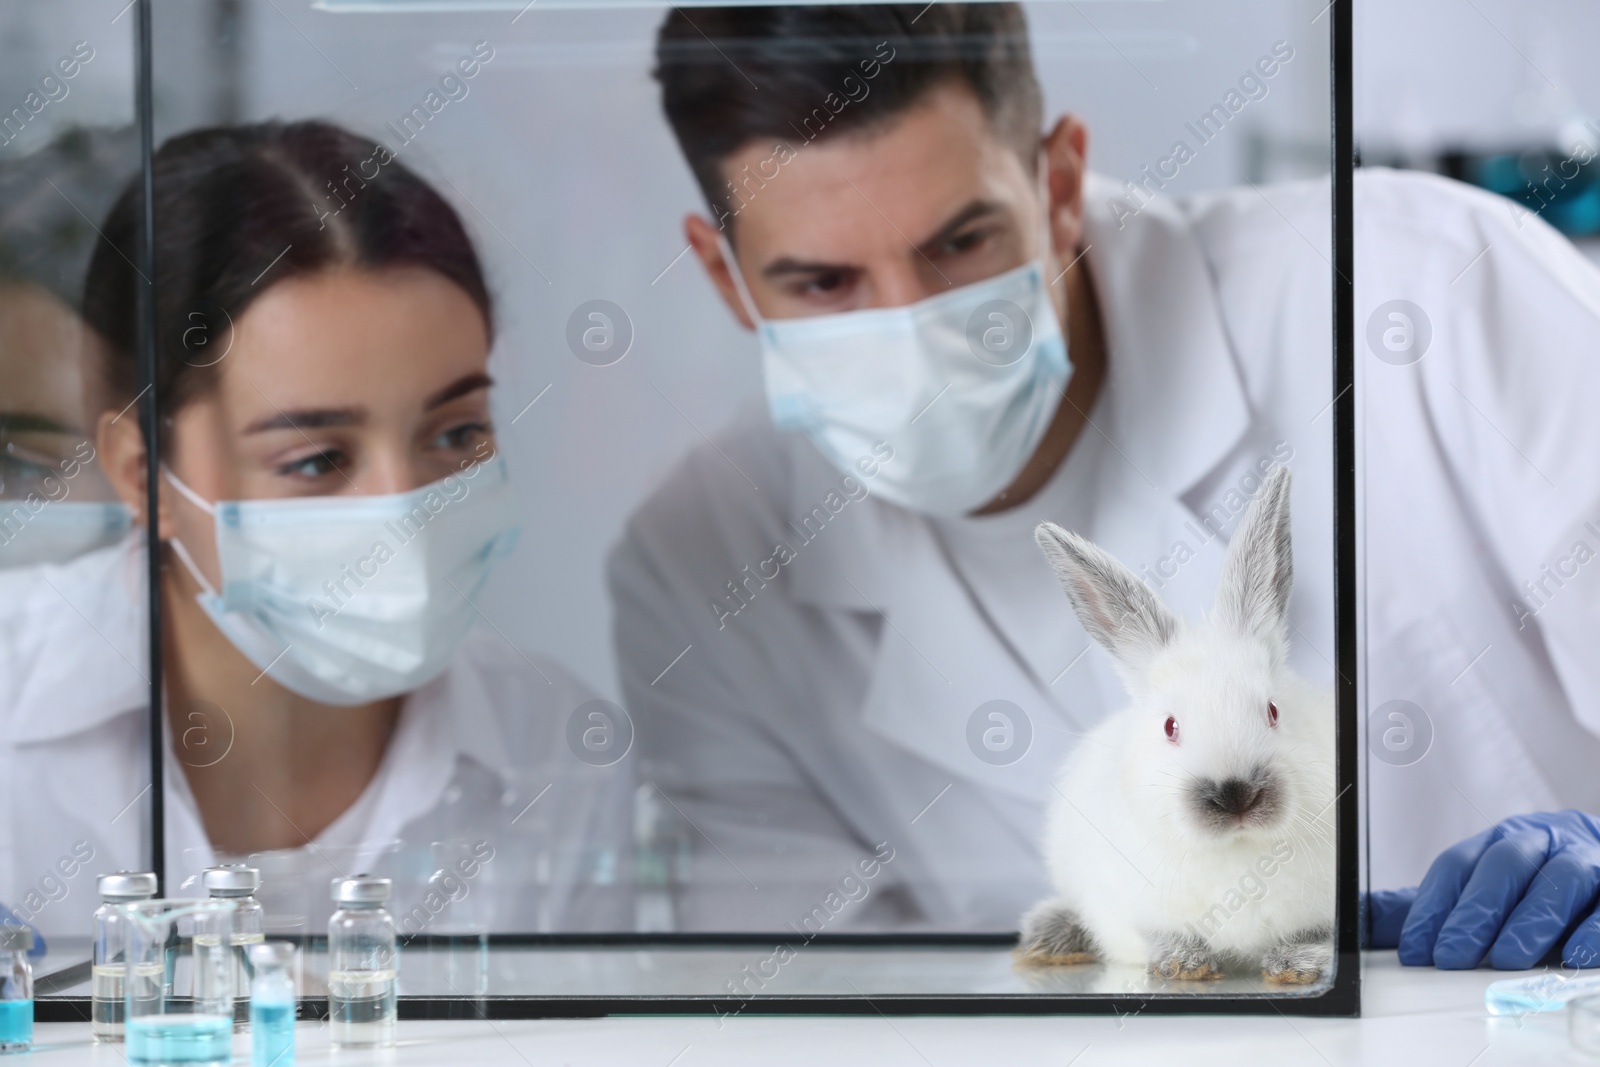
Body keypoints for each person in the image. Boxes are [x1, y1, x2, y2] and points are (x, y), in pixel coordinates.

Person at [609, 3, 1600, 970]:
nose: (911, 328)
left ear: (1060, 182)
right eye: (825, 282)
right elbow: (820, 1006)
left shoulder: (1421, 289)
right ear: (723, 273)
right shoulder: (704, 568)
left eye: (961, 243)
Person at [0, 120, 631, 943]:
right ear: (139, 472)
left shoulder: (552, 745)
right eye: (317, 457)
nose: (404, 507)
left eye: (455, 433)